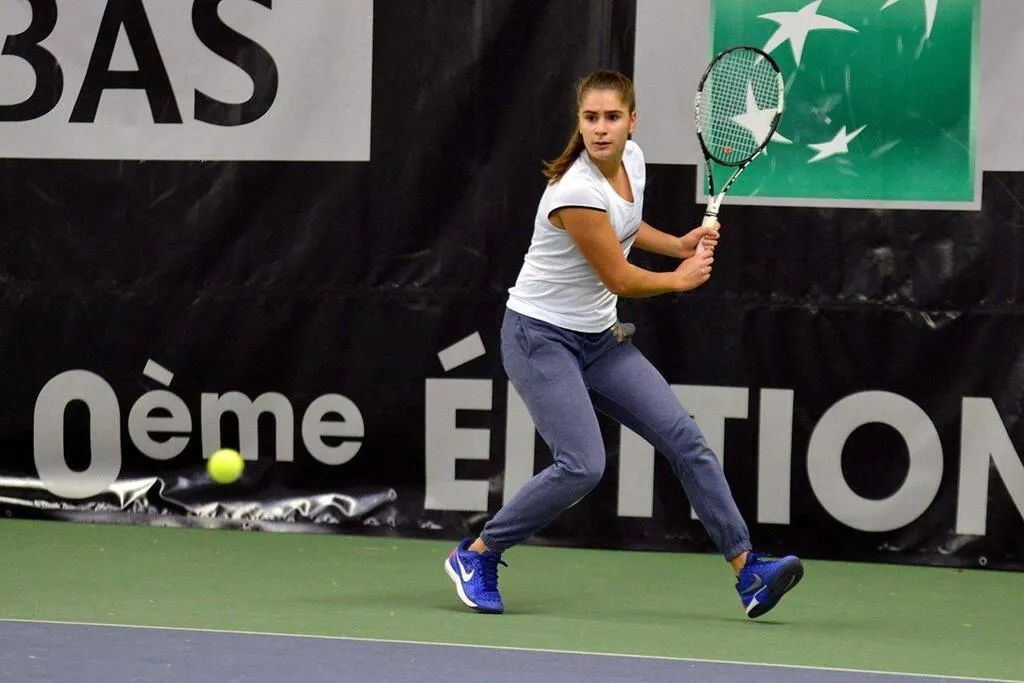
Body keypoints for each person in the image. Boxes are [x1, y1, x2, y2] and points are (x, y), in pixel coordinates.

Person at [444, 70, 803, 619]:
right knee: (582, 464)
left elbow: (628, 227)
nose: (602, 129)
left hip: (599, 340)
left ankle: (749, 571)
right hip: (539, 337)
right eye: (591, 118)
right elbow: (620, 277)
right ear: (580, 123)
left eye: (613, 117)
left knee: (686, 440)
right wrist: (679, 278)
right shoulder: (575, 192)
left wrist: (676, 242)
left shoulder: (633, 160)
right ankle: (478, 554)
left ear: (631, 121)